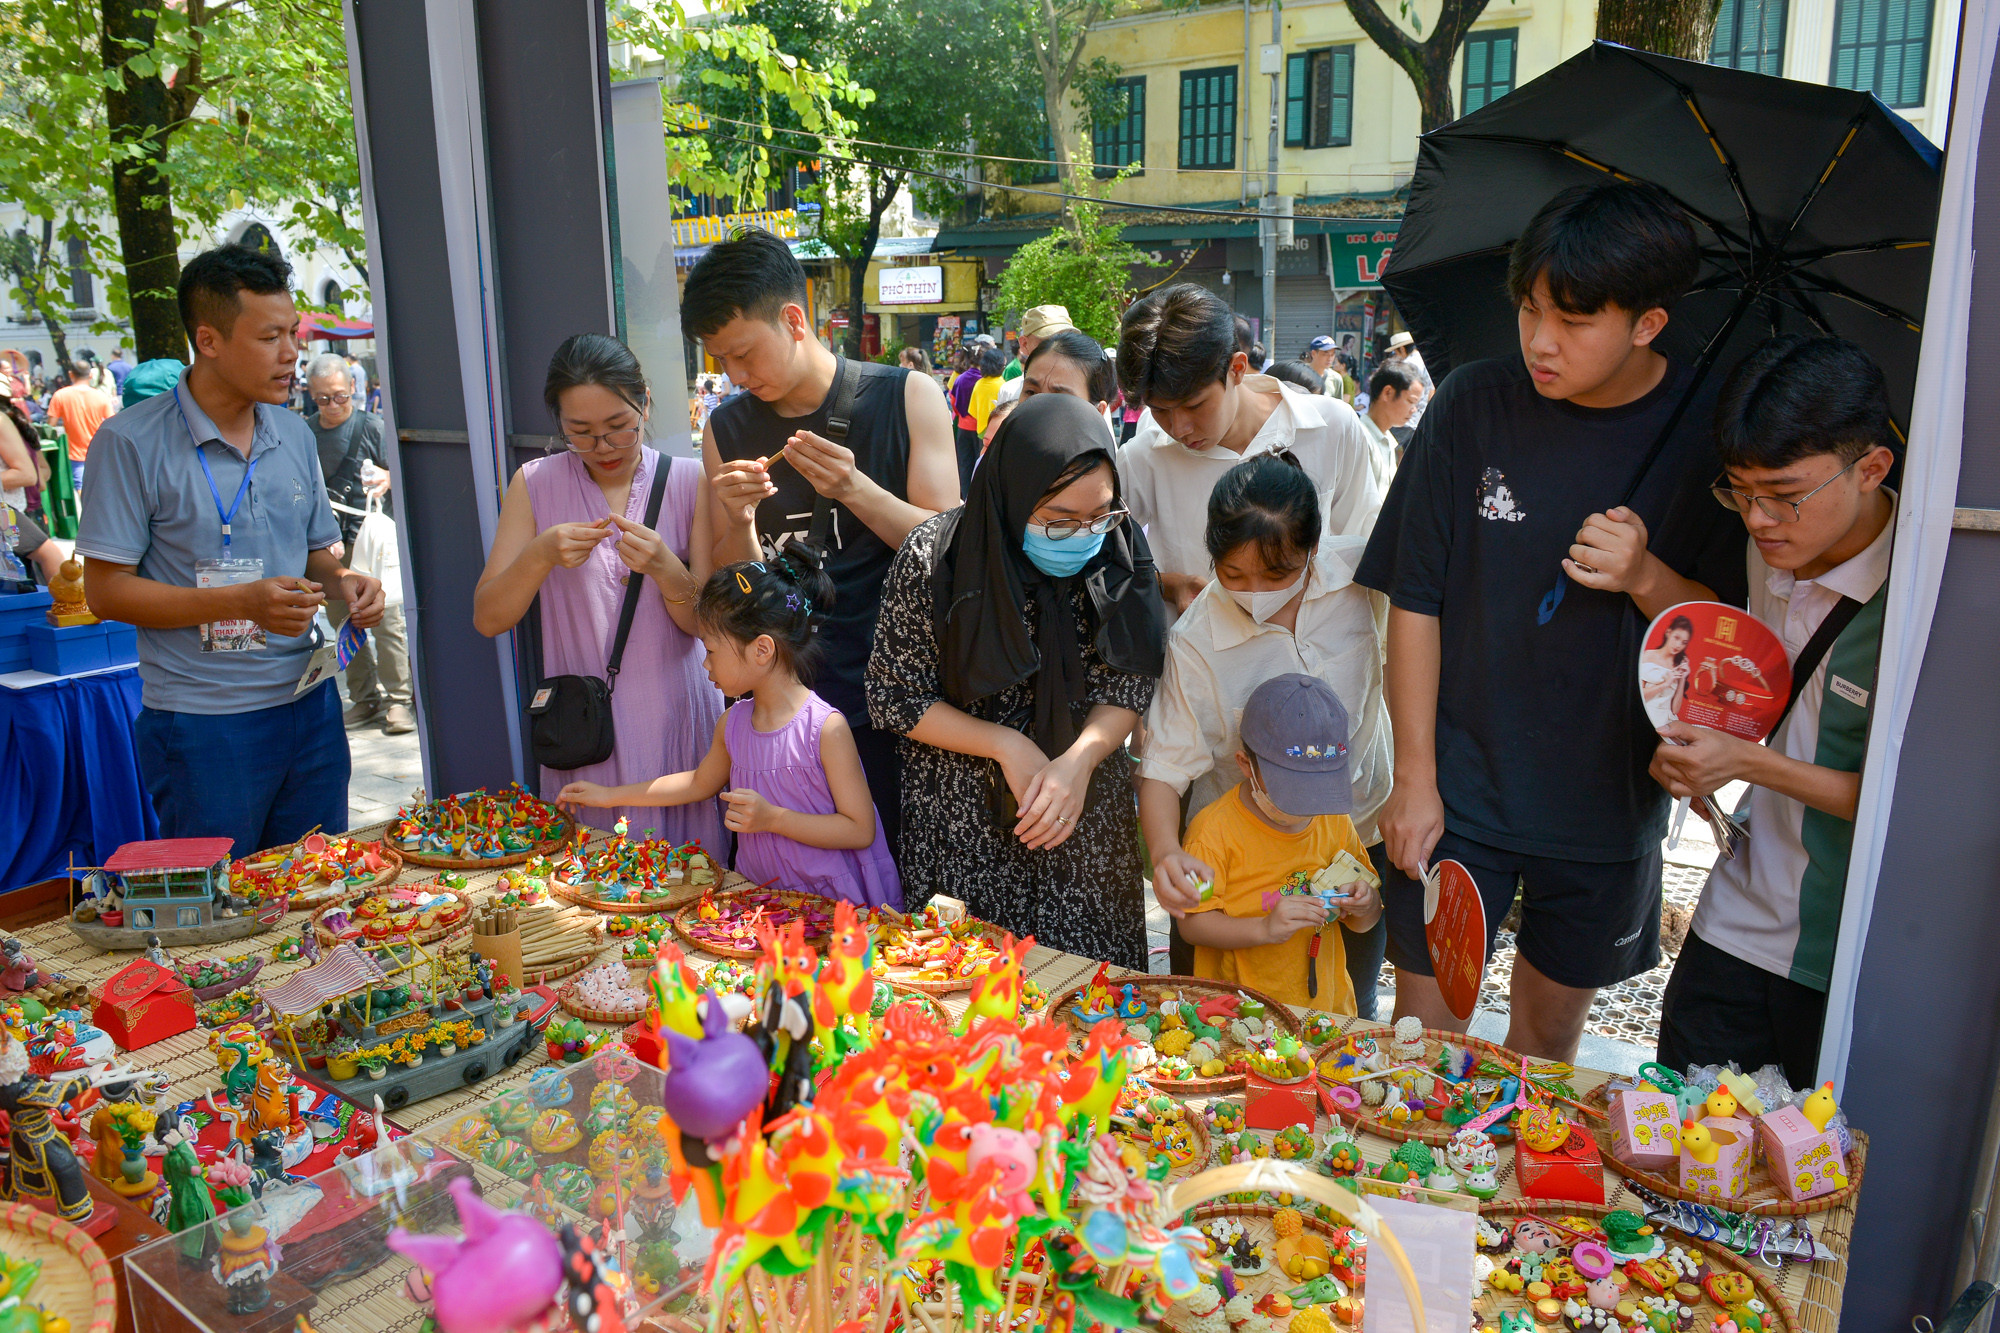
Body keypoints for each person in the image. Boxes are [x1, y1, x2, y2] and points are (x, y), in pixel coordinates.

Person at [1356, 179, 1749, 1062]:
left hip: (1607, 803)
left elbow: (1734, 639)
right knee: (1424, 1042)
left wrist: (1646, 574)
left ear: (1648, 323)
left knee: (1544, 1047)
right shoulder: (1471, 404)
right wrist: (1413, 777)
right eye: (1531, 308)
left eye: (1574, 322)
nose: (1540, 340)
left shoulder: (1707, 436)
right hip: (1461, 790)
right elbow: (1415, 599)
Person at [1597, 336, 1896, 1087]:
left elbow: (1909, 802)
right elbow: (1736, 647)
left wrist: (1748, 762)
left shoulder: (1922, 598)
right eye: (1739, 491)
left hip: (1837, 954)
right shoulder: (1772, 549)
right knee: (1680, 1154)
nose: (1759, 519)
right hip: (1733, 915)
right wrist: (1701, 752)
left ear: (1871, 467)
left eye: (1783, 494)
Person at [77, 243, 385, 856]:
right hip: (204, 725)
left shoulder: (293, 432)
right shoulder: (130, 443)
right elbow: (104, 591)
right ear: (209, 339)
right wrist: (241, 602)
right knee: (227, 913)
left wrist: (344, 584)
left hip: (310, 702)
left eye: (292, 333)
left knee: (317, 892)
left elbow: (315, 556)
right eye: (270, 337)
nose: (292, 353)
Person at [688, 226, 960, 866]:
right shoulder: (726, 428)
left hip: (894, 706)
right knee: (781, 896)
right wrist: (738, 520)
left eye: (745, 353)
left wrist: (856, 489)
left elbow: (950, 555)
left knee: (895, 898)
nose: (736, 374)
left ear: (793, 319)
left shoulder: (906, 397)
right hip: (777, 717)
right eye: (720, 359)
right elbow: (732, 591)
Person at [866, 392, 1166, 968]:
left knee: (1092, 1006)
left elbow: (1128, 679)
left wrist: (1078, 761)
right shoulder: (937, 557)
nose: (1083, 534)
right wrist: (1005, 744)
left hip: (1082, 816)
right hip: (961, 819)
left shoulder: (1118, 547)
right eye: (1057, 521)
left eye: (1098, 514)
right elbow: (895, 696)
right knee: (968, 1002)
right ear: (1013, 494)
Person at [1143, 454, 1392, 1017]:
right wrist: (1165, 853)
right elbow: (1164, 764)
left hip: (1353, 828)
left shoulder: (1363, 578)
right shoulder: (1196, 640)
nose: (1254, 592)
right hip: (1238, 858)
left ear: (1313, 551)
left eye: (1278, 574)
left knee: (1351, 1002)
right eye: (1232, 576)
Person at [473, 333, 727, 850]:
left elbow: (708, 628)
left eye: (619, 428)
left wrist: (664, 569)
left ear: (645, 403)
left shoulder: (688, 480)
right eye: (580, 433)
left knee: (688, 889)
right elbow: (489, 618)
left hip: (677, 726)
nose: (603, 448)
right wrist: (540, 554)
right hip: (586, 733)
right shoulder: (535, 483)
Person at [560, 544, 901, 907]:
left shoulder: (825, 729)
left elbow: (859, 829)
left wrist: (773, 818)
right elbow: (697, 782)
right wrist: (608, 795)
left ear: (761, 650)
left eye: (710, 650)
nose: (706, 664)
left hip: (826, 907)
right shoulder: (735, 721)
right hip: (761, 901)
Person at [1116, 283, 1381, 617]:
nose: (1179, 428)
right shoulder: (1143, 458)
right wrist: (1167, 584)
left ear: (1237, 368)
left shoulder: (1331, 426)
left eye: (1194, 405)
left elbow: (1363, 545)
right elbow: (1106, 564)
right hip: (1198, 665)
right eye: (1160, 410)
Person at [1179, 674, 1384, 1014]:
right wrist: (1264, 928)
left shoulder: (1334, 819)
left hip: (1325, 1010)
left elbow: (1366, 920)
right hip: (1240, 1015)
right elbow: (1192, 924)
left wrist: (1366, 904)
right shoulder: (1211, 835)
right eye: (1292, 794)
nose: (1306, 808)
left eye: (1317, 793)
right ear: (1246, 765)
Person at [303, 353, 414, 735]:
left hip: (371, 542)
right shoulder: (305, 434)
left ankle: (400, 700)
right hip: (329, 548)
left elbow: (405, 473)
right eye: (323, 399)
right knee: (342, 624)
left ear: (354, 389)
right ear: (310, 396)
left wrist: (387, 475)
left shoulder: (374, 427)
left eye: (339, 396)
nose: (333, 406)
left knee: (386, 622)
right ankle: (364, 698)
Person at [46, 358, 115, 496]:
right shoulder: (101, 396)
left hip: (75, 453)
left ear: (71, 374)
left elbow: (50, 427)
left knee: (82, 488)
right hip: (100, 450)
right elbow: (113, 422)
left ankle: (89, 515)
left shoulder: (60, 395)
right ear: (90, 375)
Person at [1355, 360, 1419, 492]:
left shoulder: (1389, 440)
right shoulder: (1361, 439)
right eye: (1411, 401)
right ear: (1387, 393)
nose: (1414, 410)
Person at [995, 305, 1074, 408]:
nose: (1059, 347)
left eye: (1066, 340)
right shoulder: (1010, 393)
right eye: (1048, 341)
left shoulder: (1084, 388)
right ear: (1024, 344)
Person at [1639, 614, 1694, 730]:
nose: (1678, 645)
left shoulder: (1679, 666)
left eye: (1684, 642)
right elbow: (1639, 696)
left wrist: (1682, 679)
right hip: (1645, 715)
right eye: (1676, 638)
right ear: (1668, 633)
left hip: (1668, 721)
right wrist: (1665, 684)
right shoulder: (1648, 656)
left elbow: (1675, 710)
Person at [1385, 330, 1433, 427]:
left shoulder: (1407, 364)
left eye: (1395, 352)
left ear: (1402, 349)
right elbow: (1432, 390)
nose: (1395, 356)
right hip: (1420, 419)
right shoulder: (1426, 360)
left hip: (1406, 421)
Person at [967, 344, 1006, 443]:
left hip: (982, 433)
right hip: (999, 433)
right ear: (1001, 366)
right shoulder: (1003, 385)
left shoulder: (979, 384)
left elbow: (973, 411)